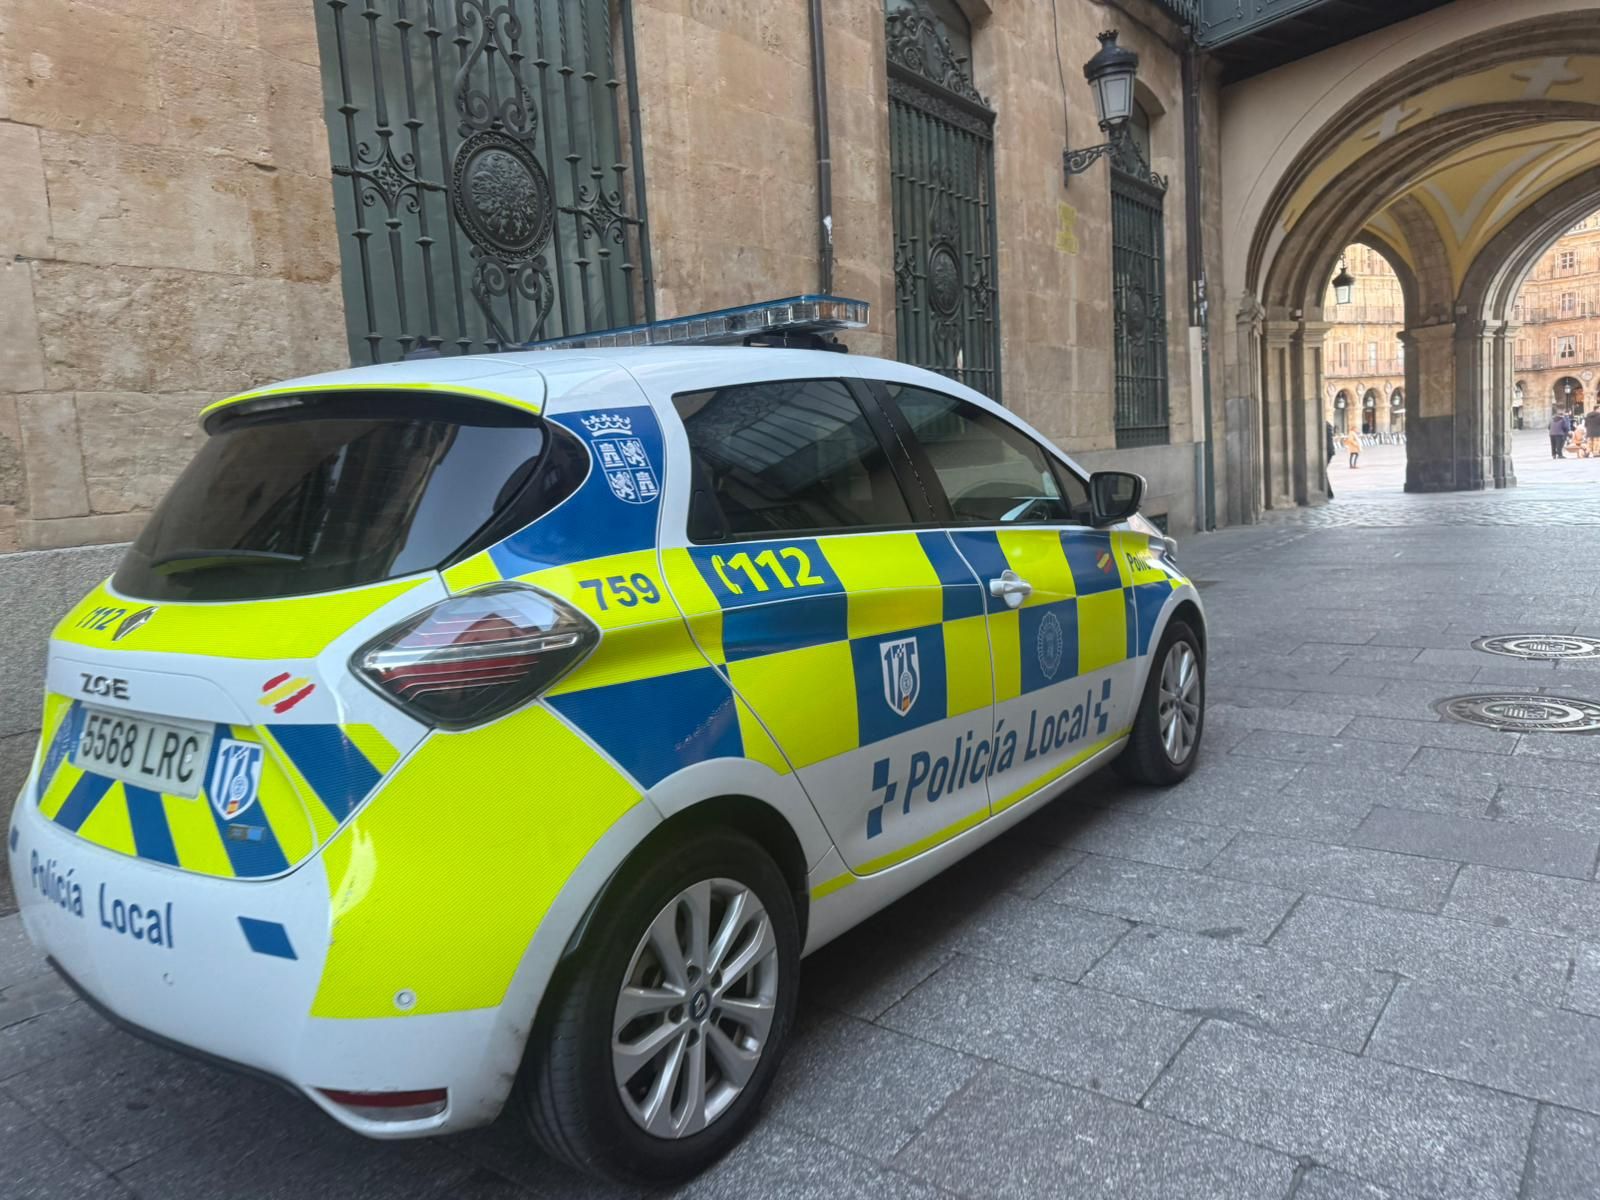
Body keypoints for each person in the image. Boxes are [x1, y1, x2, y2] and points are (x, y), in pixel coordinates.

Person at [1325, 420, 1337, 498]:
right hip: (1329, 451)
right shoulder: (1327, 424)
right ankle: (1329, 493)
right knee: (1322, 472)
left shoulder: (1324, 425)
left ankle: (1329, 493)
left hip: (1327, 452)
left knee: (1321, 472)